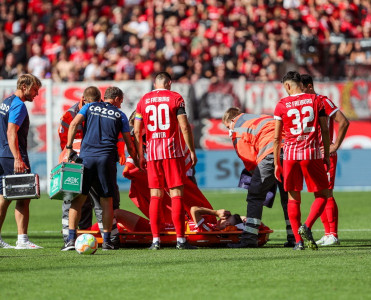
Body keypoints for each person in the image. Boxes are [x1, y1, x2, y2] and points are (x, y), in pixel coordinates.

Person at [62, 86, 138, 251]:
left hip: (86, 157)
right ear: (116, 99)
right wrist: (137, 160)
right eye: (121, 101)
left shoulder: (89, 106)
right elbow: (128, 143)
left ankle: (70, 239)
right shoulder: (120, 115)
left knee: (78, 199)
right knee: (106, 201)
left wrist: (69, 148)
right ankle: (107, 241)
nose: (121, 105)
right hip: (106, 160)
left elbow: (74, 123)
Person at [134, 72, 197, 250]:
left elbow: (137, 131)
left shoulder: (143, 100)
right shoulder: (175, 98)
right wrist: (191, 150)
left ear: (155, 84)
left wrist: (140, 154)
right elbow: (184, 125)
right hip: (172, 152)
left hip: (152, 154)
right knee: (176, 194)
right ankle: (181, 240)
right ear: (169, 83)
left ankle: (155, 240)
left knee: (156, 196)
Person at [222, 107, 295, 248]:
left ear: (232, 120)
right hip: (291, 151)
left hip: (270, 152)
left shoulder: (238, 129)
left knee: (255, 195)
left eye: (227, 127)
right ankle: (294, 237)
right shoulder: (259, 117)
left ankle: (249, 238)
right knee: (288, 196)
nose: (228, 131)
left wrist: (258, 181)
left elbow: (249, 160)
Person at [273, 71, 330, 250]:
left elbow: (276, 139)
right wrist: (326, 154)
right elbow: (325, 131)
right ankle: (307, 226)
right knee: (323, 194)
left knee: (293, 198)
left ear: (288, 86)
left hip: (289, 156)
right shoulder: (316, 100)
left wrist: (276, 162)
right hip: (311, 153)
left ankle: (298, 241)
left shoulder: (282, 105)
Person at [301, 74, 349, 246]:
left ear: (309, 87)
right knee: (318, 194)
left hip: (324, 155)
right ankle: (327, 233)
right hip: (311, 155)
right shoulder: (303, 105)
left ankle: (333, 234)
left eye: (301, 88)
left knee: (327, 193)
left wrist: (335, 145)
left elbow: (343, 122)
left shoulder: (323, 101)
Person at [0, 74, 42, 249]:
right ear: (24, 86)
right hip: (13, 157)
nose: (36, 94)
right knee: (24, 197)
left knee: (3, 197)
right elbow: (11, 132)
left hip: (3, 155)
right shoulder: (18, 105)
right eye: (34, 90)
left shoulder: (6, 101)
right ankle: (22, 240)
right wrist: (17, 158)